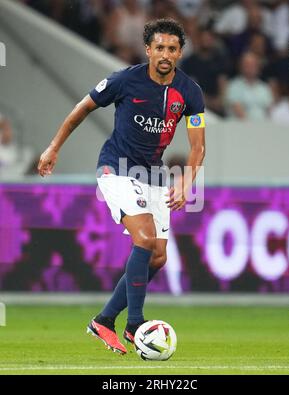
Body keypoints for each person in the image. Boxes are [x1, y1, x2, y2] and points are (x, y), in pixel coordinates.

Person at [38, 18, 206, 355]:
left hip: (154, 173)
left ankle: (104, 319)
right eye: (159, 47)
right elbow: (82, 108)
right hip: (117, 168)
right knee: (143, 238)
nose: (165, 54)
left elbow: (198, 146)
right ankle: (135, 325)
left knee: (157, 257)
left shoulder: (190, 92)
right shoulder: (124, 80)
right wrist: (54, 147)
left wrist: (187, 180)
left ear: (179, 53)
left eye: (172, 48)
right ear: (148, 50)